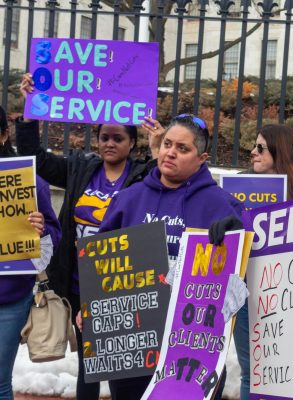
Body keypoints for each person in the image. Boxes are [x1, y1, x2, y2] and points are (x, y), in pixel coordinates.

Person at [15, 73, 162, 400]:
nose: (109, 143)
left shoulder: (143, 175)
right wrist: (30, 112)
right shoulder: (80, 168)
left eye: (118, 138)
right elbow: (37, 161)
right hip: (82, 283)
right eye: (104, 137)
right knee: (89, 365)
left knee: (127, 369)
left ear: (132, 143)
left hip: (124, 284)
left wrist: (159, 147)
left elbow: (169, 179)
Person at [97, 114, 244, 399]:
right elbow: (101, 260)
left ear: (201, 158)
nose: (170, 153)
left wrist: (239, 234)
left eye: (182, 148)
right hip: (132, 341)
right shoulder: (130, 198)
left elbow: (243, 273)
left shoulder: (222, 205)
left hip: (192, 345)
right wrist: (90, 307)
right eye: (167, 144)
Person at [234, 124, 293, 400]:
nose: (253, 153)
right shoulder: (240, 188)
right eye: (253, 147)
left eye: (261, 148)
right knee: (252, 372)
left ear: (279, 151)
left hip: (291, 291)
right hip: (248, 290)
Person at [0, 105, 60, 400]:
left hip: (9, 296)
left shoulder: (29, 183)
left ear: (3, 136)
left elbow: (53, 239)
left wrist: (41, 230)